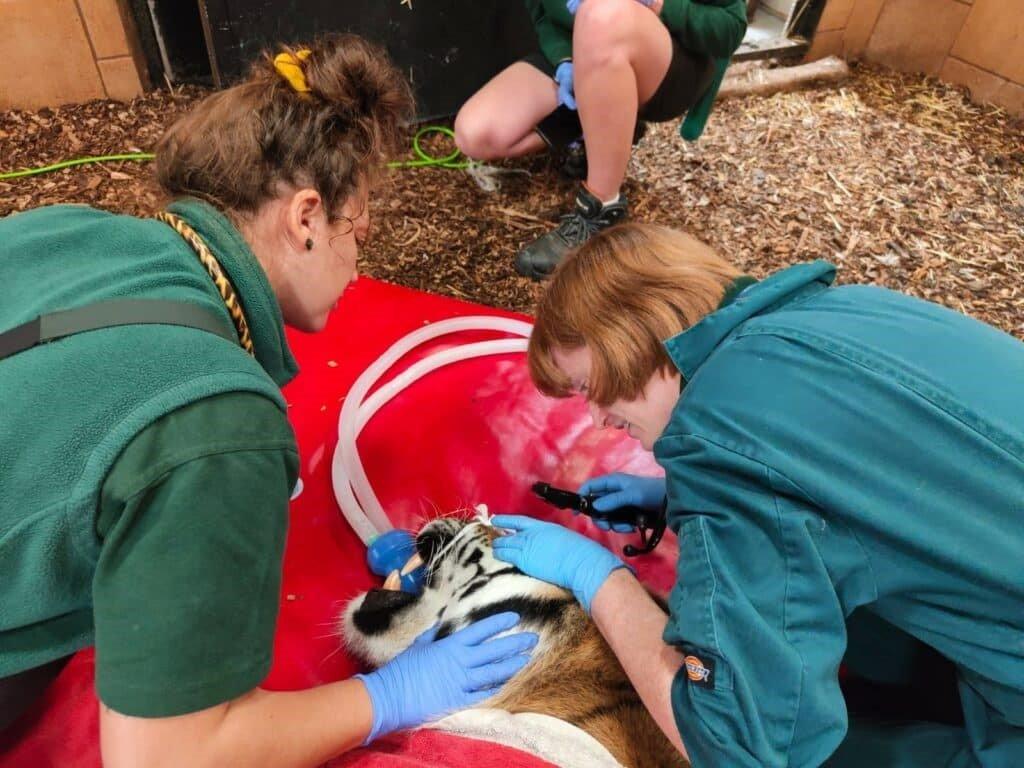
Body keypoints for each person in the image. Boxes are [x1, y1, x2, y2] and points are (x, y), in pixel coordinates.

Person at [0, 35, 536, 767]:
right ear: (306, 217)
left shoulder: (59, 227)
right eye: (359, 225)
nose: (362, 249)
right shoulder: (216, 421)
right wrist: (388, 697)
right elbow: (166, 757)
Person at [492, 222, 1024, 766]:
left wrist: (597, 579)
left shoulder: (721, 439)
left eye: (586, 386)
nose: (598, 417)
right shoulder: (844, 307)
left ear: (626, 335)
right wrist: (673, 500)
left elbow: (739, 747)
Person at [453, 0, 746, 279]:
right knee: (475, 133)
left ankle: (602, 207)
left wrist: (658, 4)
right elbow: (542, 15)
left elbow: (729, 28)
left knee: (600, 14)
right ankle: (600, 122)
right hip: (579, 50)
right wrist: (564, 60)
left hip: (667, 64)